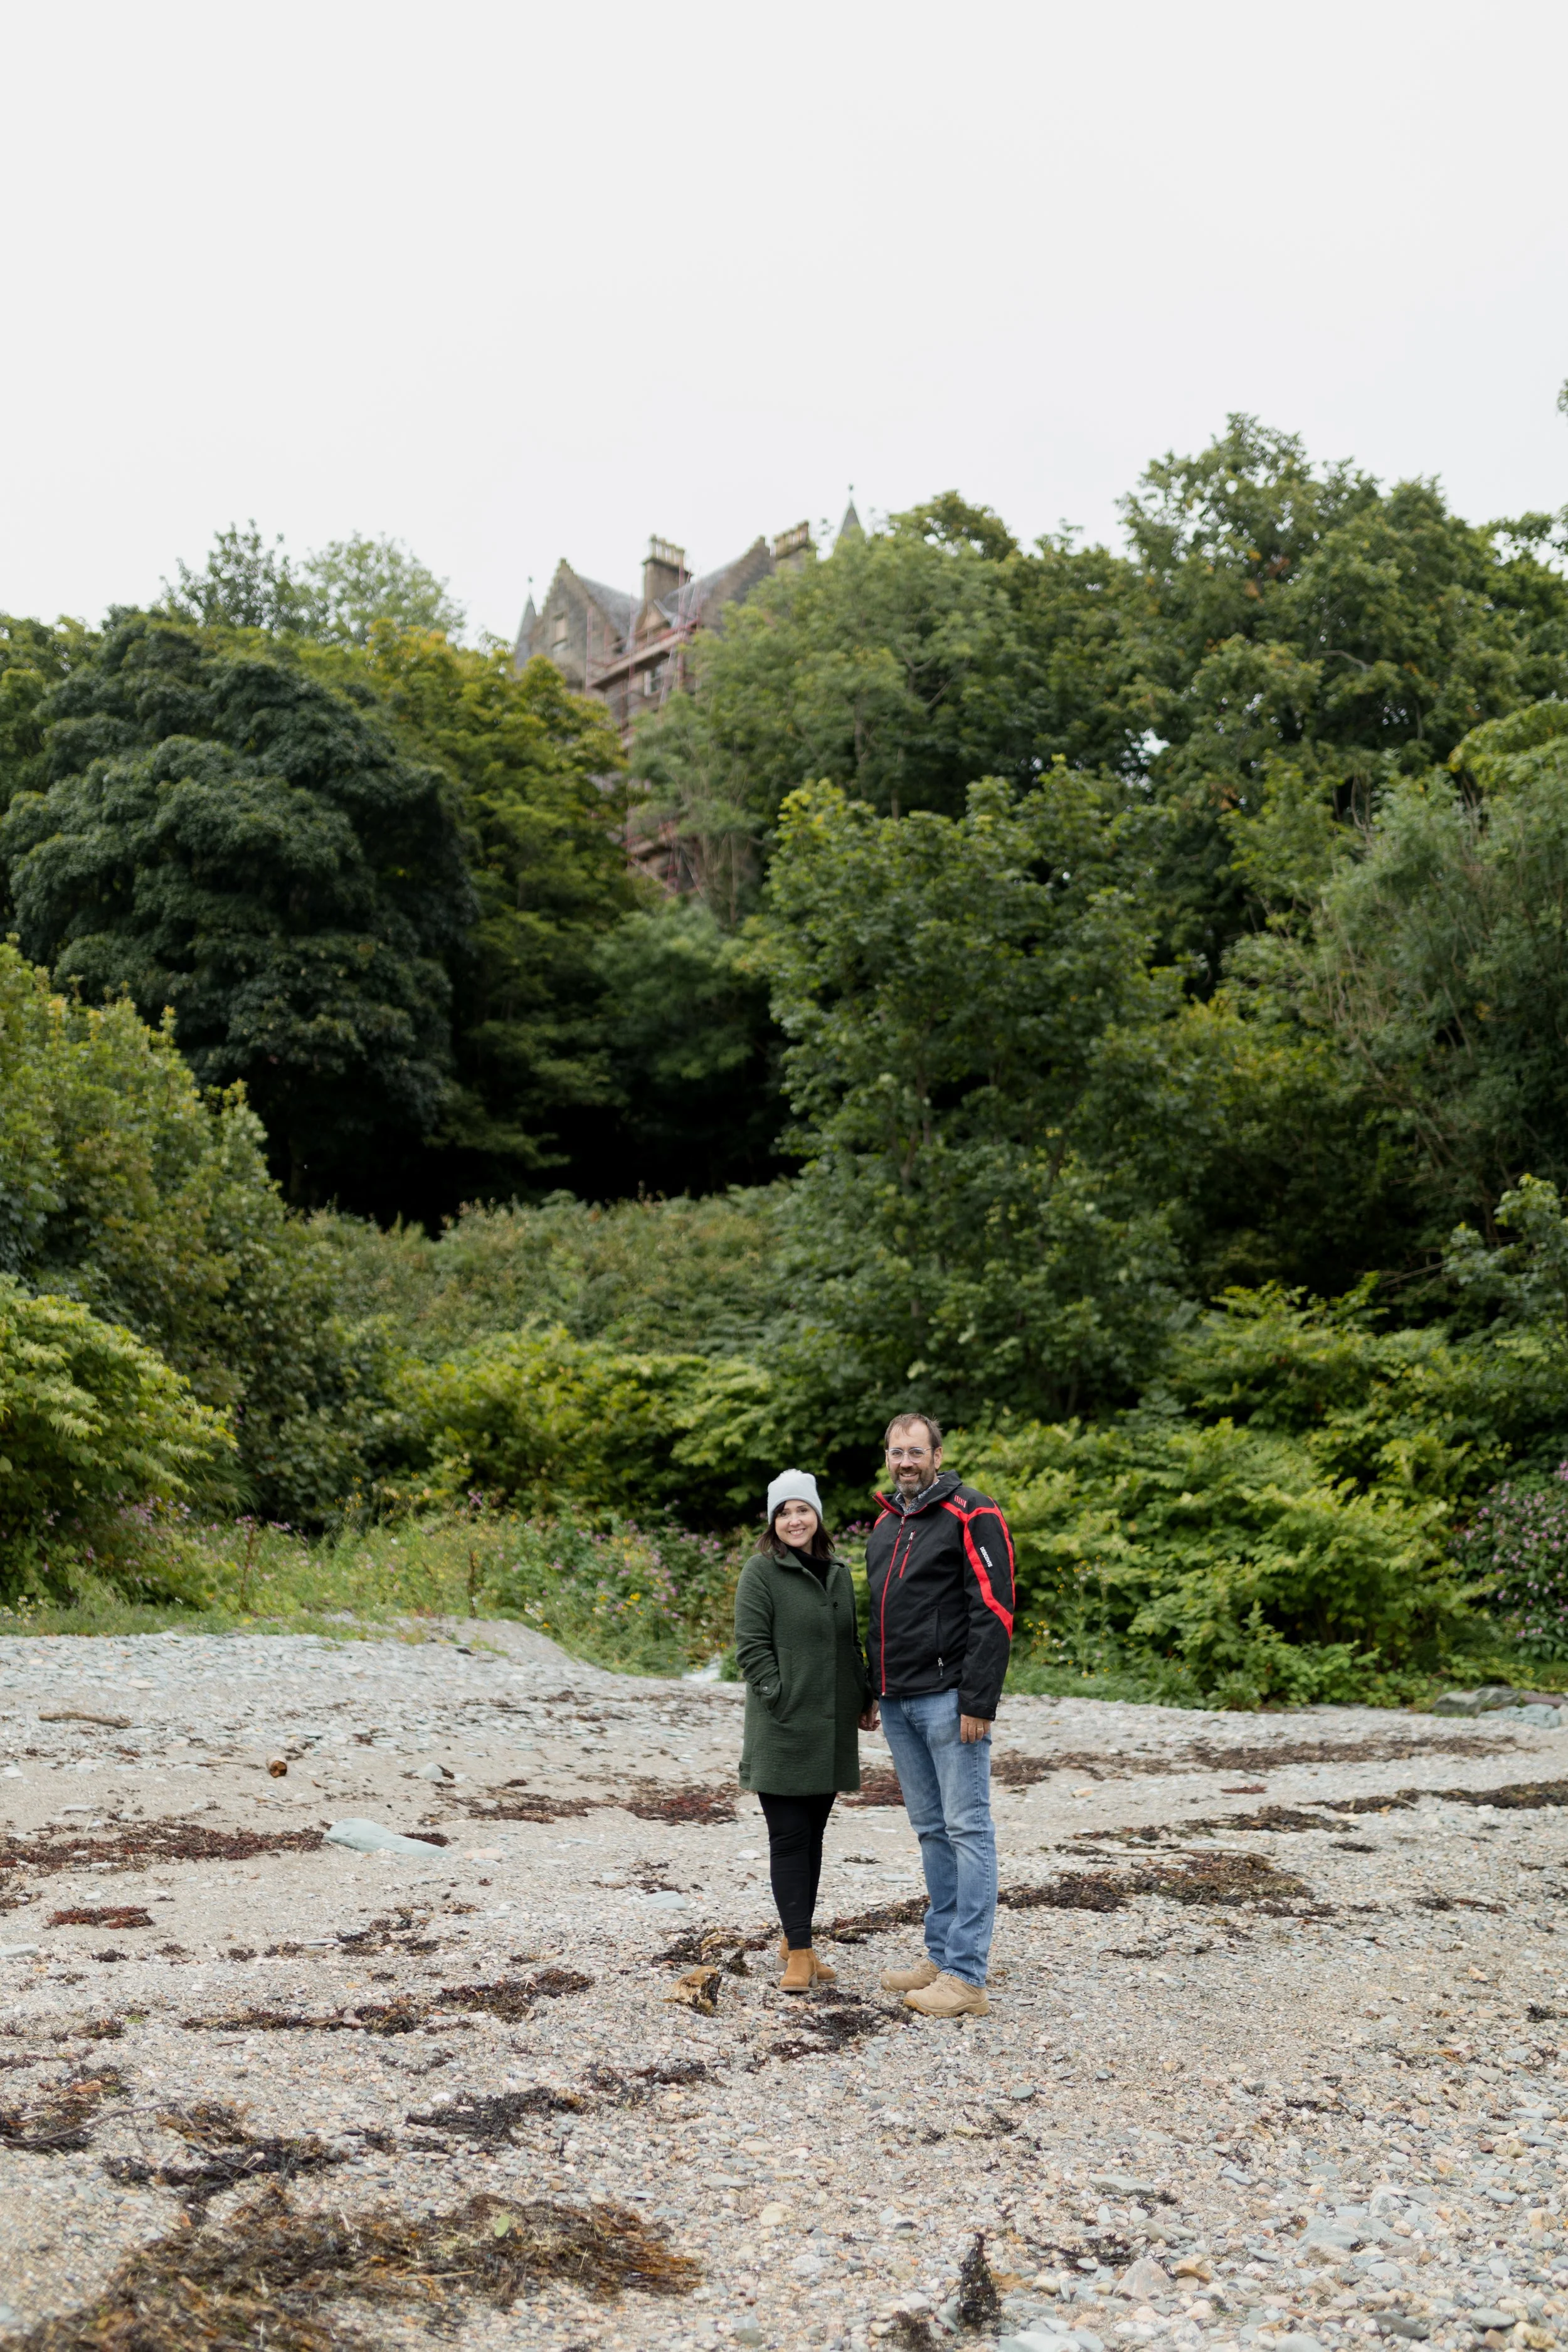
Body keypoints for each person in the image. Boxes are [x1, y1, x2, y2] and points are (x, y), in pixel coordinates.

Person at [864, 1411, 1015, 2018]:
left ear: (937, 1454)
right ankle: (941, 1954)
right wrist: (872, 1690)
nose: (905, 1461)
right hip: (898, 1700)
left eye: (915, 1452)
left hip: (950, 1698)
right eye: (896, 1452)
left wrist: (978, 1699)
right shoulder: (886, 1524)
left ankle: (966, 1978)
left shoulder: (972, 1513)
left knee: (967, 1830)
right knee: (931, 1831)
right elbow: (880, 1615)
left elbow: (995, 1608)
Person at [734, 1470, 877, 1991]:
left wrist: (865, 1696)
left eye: (802, 1510)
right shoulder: (761, 1571)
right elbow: (751, 1649)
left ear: (817, 1515)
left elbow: (851, 1644)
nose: (794, 1520)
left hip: (832, 1730)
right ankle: (800, 1953)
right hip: (783, 1729)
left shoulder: (838, 1571)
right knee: (790, 1838)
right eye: (784, 1513)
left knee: (813, 1839)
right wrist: (781, 1696)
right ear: (774, 1523)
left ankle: (798, 1939)